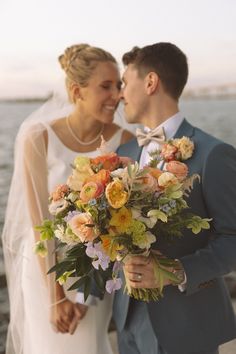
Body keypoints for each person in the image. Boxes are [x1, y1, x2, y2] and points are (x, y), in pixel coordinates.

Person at [2, 43, 134, 354]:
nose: (116, 95)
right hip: (44, 271)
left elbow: (122, 222)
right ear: (77, 91)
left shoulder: (124, 140)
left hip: (96, 274)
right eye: (106, 86)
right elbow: (38, 225)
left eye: (119, 85)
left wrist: (86, 293)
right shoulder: (38, 136)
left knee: (90, 344)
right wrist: (56, 296)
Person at [113, 42, 236, 354]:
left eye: (125, 83)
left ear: (151, 82)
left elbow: (232, 239)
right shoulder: (123, 155)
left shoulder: (213, 154)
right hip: (128, 321)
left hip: (188, 324)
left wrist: (174, 271)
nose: (120, 94)